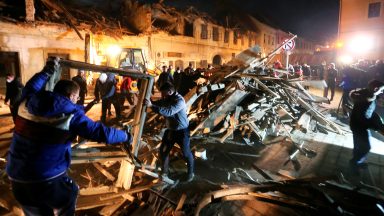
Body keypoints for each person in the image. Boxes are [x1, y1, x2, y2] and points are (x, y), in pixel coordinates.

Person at [6, 58, 132, 216]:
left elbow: (32, 86)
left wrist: (47, 70)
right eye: (77, 97)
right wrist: (125, 136)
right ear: (71, 96)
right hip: (44, 178)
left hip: (16, 177)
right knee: (70, 193)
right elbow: (101, 132)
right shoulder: (70, 115)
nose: (78, 100)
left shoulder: (27, 101)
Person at [144, 82, 194, 182]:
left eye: (163, 94)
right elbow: (160, 103)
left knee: (186, 153)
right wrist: (151, 102)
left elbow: (168, 112)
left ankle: (190, 173)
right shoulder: (167, 98)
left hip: (182, 131)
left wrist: (151, 106)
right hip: (171, 130)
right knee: (163, 151)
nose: (162, 96)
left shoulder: (179, 101)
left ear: (170, 92)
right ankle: (165, 172)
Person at [349, 79, 384, 172]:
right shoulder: (368, 97)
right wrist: (375, 126)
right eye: (381, 90)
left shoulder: (366, 93)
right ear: (375, 88)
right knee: (366, 147)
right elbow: (363, 116)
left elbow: (369, 110)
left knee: (358, 145)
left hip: (356, 124)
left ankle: (356, 163)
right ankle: (354, 163)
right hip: (359, 126)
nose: (382, 91)